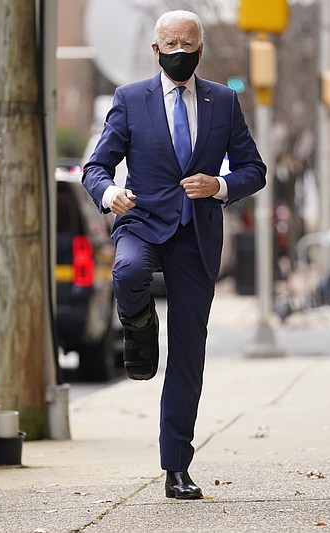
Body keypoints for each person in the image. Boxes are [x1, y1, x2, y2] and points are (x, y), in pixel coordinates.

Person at [82, 10, 265, 500]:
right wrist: (108, 195)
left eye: (189, 43)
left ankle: (176, 467)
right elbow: (96, 167)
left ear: (200, 50)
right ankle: (139, 327)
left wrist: (220, 184)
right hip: (141, 220)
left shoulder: (223, 101)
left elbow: (255, 169)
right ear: (156, 50)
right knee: (129, 271)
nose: (180, 51)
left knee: (188, 354)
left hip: (196, 233)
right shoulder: (130, 99)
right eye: (171, 43)